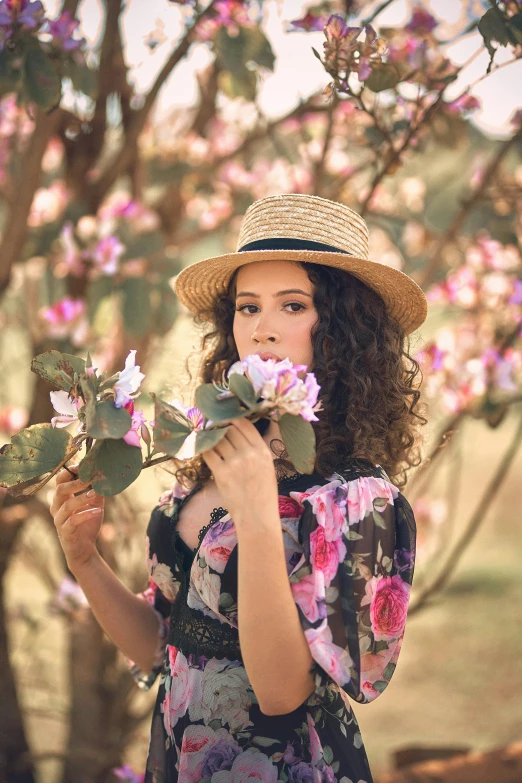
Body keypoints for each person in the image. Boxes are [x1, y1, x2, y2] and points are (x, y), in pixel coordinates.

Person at [50, 193, 428, 783]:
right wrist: (85, 561)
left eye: (293, 305)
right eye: (247, 307)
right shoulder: (210, 454)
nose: (263, 329)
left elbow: (281, 693)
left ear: (344, 328)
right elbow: (163, 645)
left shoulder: (355, 500)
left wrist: (254, 513)